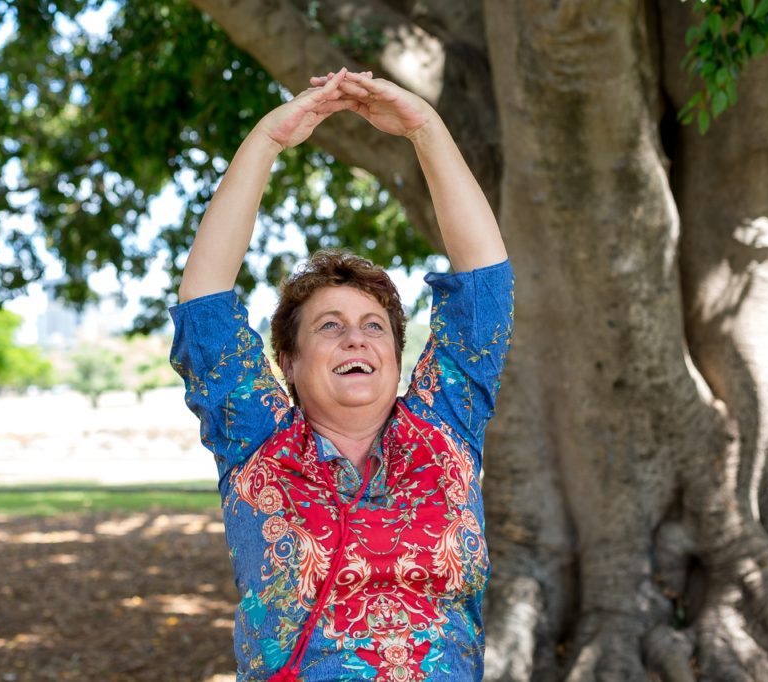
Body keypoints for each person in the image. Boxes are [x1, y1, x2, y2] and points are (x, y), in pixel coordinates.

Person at [170, 68, 514, 681]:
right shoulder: (259, 442)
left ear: (396, 353)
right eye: (329, 326)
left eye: (374, 325)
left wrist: (425, 128)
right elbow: (205, 304)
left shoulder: (447, 425)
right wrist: (266, 142)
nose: (356, 336)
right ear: (289, 363)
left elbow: (484, 282)